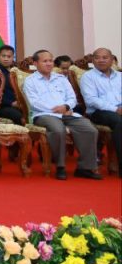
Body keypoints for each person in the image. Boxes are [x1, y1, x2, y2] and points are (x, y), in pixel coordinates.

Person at [23, 49, 100, 180]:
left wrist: (66, 107)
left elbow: (72, 97)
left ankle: (85, 168)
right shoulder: (30, 81)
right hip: (44, 115)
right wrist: (57, 109)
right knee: (58, 130)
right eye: (45, 61)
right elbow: (34, 102)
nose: (49, 64)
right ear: (35, 63)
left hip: (67, 113)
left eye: (50, 60)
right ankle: (60, 166)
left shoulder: (61, 79)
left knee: (90, 129)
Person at [79, 47, 120, 175]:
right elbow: (91, 100)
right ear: (93, 60)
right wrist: (115, 109)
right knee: (119, 122)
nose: (101, 60)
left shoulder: (120, 76)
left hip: (119, 109)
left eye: (105, 57)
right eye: (97, 58)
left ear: (112, 60)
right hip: (98, 112)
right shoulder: (88, 77)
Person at [0, 45, 24, 125]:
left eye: (9, 56)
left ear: (13, 57)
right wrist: (11, 103)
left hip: (19, 104)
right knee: (18, 116)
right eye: (3, 56)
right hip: (2, 106)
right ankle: (21, 133)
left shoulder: (16, 72)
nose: (6, 59)